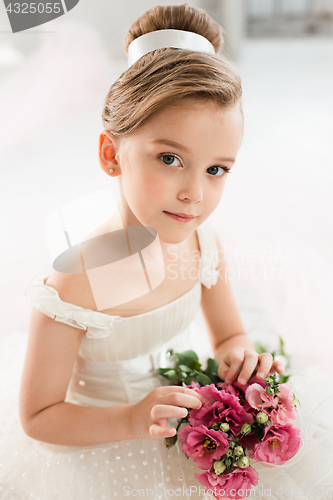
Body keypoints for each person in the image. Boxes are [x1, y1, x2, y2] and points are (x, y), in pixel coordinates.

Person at [0, 4, 332, 500]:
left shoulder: (203, 243)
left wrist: (237, 356)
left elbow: (230, 334)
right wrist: (133, 419)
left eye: (216, 169)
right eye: (171, 159)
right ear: (112, 154)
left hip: (184, 419)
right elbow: (39, 417)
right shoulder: (74, 283)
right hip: (101, 436)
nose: (195, 195)